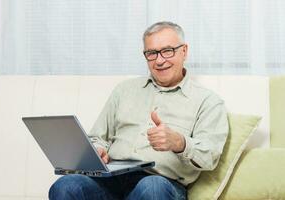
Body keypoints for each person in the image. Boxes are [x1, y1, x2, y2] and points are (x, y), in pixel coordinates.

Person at [49, 21, 229, 200]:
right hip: (110, 181)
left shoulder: (208, 101)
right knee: (66, 185)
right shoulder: (124, 90)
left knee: (152, 187)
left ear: (184, 51)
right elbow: (98, 137)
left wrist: (180, 143)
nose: (159, 60)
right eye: (152, 53)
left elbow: (210, 157)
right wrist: (97, 150)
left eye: (167, 51)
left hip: (161, 184)